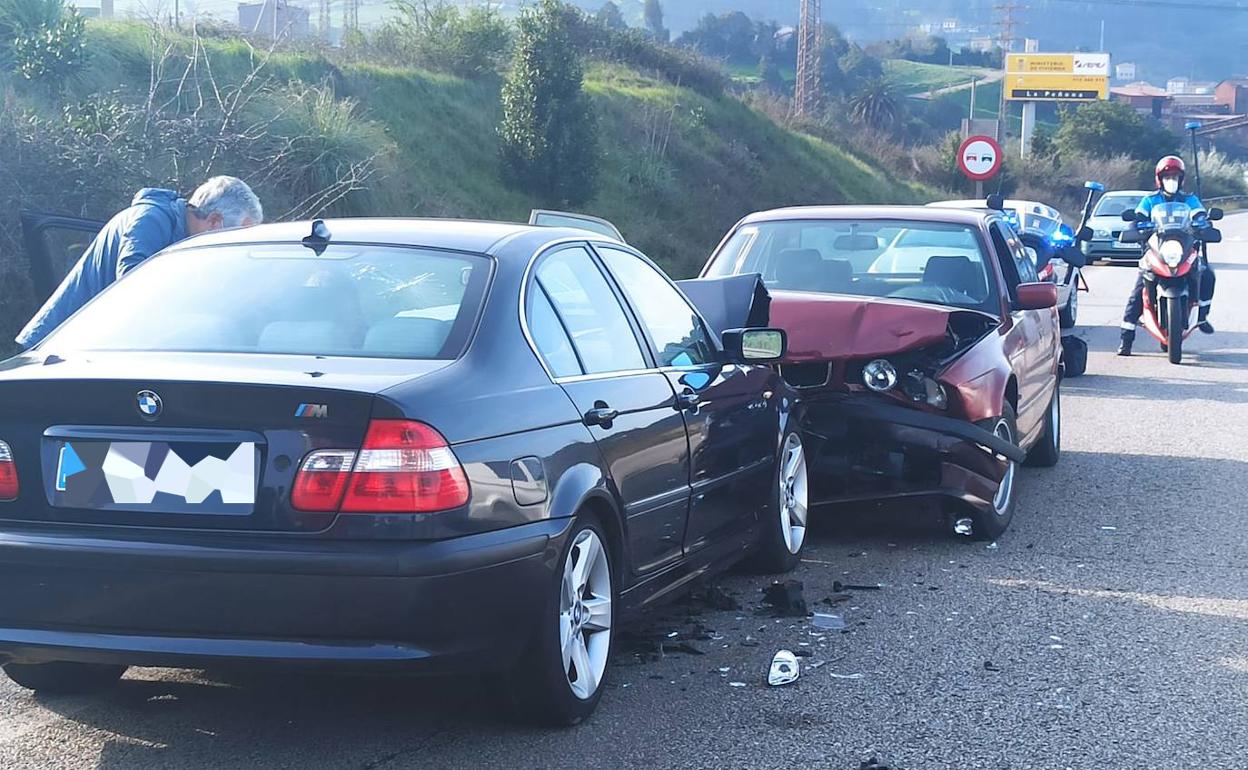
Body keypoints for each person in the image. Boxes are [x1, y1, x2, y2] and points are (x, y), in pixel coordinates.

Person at [15, 176, 263, 350]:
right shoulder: (150, 218)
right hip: (56, 347)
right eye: (238, 234)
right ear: (215, 221)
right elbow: (133, 286)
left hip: (91, 347)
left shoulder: (189, 243)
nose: (236, 244)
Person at [1117, 156, 1215, 356]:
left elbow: (1199, 215)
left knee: (1208, 275)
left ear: (1182, 179)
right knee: (1138, 291)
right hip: (1157, 247)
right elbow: (1138, 218)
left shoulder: (1189, 199)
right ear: (1159, 179)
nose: (1172, 180)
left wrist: (1204, 223)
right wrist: (1135, 225)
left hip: (1184, 246)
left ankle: (1202, 316)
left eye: (1176, 176)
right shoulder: (1150, 200)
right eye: (1168, 176)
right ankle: (1126, 339)